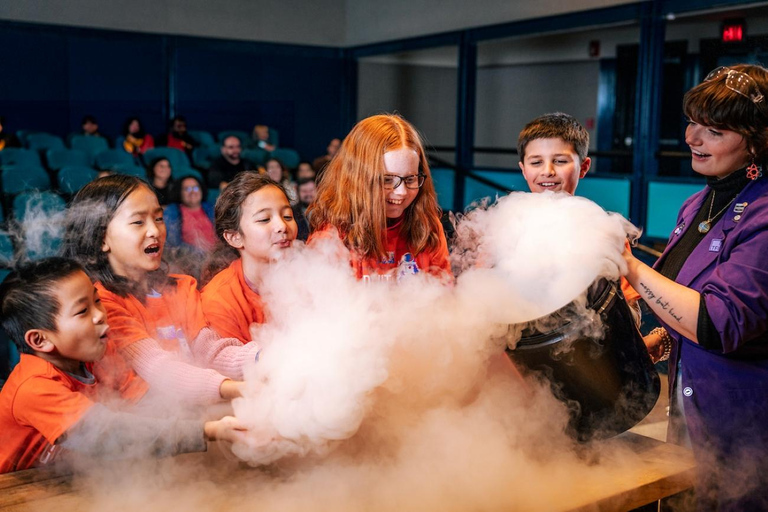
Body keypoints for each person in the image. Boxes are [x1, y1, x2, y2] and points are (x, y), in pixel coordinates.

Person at [622, 64, 768, 511]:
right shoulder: (698, 201)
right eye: (693, 122)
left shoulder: (764, 214)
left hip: (742, 423)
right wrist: (662, 340)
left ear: (756, 141)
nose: (692, 138)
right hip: (691, 411)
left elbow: (719, 323)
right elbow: (688, 297)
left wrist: (630, 266)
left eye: (715, 130)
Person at [0, 258, 249, 474]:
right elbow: (108, 433)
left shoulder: (96, 358)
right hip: (15, 489)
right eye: (83, 311)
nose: (100, 314)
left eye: (97, 302)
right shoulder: (33, 388)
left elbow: (144, 404)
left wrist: (227, 413)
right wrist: (210, 429)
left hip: (65, 478)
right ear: (40, 340)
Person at [62, 175, 261, 406]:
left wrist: (262, 358)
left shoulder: (182, 287)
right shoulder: (102, 305)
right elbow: (158, 368)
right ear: (101, 238)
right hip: (148, 422)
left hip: (195, 406)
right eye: (138, 222)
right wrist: (232, 388)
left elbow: (211, 350)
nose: (154, 230)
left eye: (158, 218)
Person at [517, 112, 641, 311]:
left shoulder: (603, 231)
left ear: (583, 167)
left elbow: (628, 306)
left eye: (560, 161)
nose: (547, 171)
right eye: (536, 162)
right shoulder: (503, 227)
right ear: (524, 169)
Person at [307, 114, 451, 281]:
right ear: (357, 180)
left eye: (410, 179)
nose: (402, 192)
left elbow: (443, 296)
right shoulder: (331, 238)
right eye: (387, 180)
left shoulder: (427, 228)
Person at [201, 172, 298, 343]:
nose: (282, 226)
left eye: (287, 216)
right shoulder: (220, 300)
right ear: (234, 237)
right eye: (264, 219)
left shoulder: (308, 278)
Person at [164, 175, 216, 253]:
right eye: (187, 189)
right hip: (189, 259)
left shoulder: (211, 207)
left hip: (217, 255)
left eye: (196, 188)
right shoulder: (172, 211)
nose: (192, 192)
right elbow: (173, 243)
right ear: (179, 192)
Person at [293, 177, 316, 241]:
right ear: (297, 192)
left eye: (311, 190)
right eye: (304, 191)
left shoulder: (325, 211)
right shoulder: (292, 212)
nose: (308, 194)